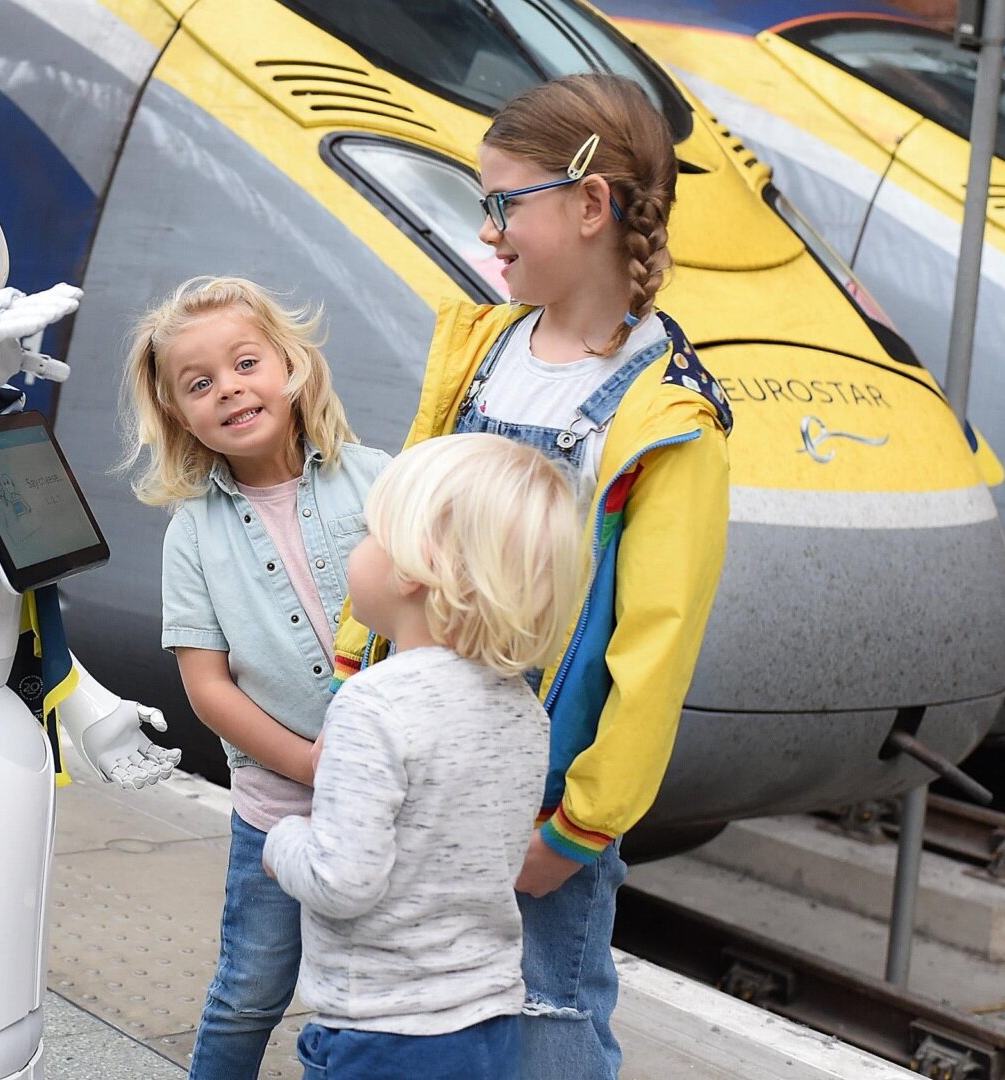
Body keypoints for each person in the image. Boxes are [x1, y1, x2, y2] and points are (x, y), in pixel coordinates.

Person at [329, 73, 735, 1080]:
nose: (489, 232)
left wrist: (580, 825)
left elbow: (657, 644)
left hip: (539, 792)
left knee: (546, 1021)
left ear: (591, 205)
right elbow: (409, 514)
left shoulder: (667, 417)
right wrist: (354, 660)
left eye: (505, 205)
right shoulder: (482, 350)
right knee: (418, 1011)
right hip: (422, 754)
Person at [119, 275, 391, 1080]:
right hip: (276, 812)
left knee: (368, 994)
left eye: (245, 364)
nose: (230, 390)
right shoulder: (190, 535)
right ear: (178, 413)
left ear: (291, 364)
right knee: (249, 990)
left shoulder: (380, 480)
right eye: (200, 384)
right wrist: (313, 765)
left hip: (388, 800)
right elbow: (208, 688)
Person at [264, 433, 580, 1080]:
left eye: (369, 535)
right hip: (486, 1023)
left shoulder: (373, 705)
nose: (357, 552)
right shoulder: (522, 709)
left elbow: (342, 881)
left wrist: (283, 842)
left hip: (381, 1032)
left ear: (416, 565)